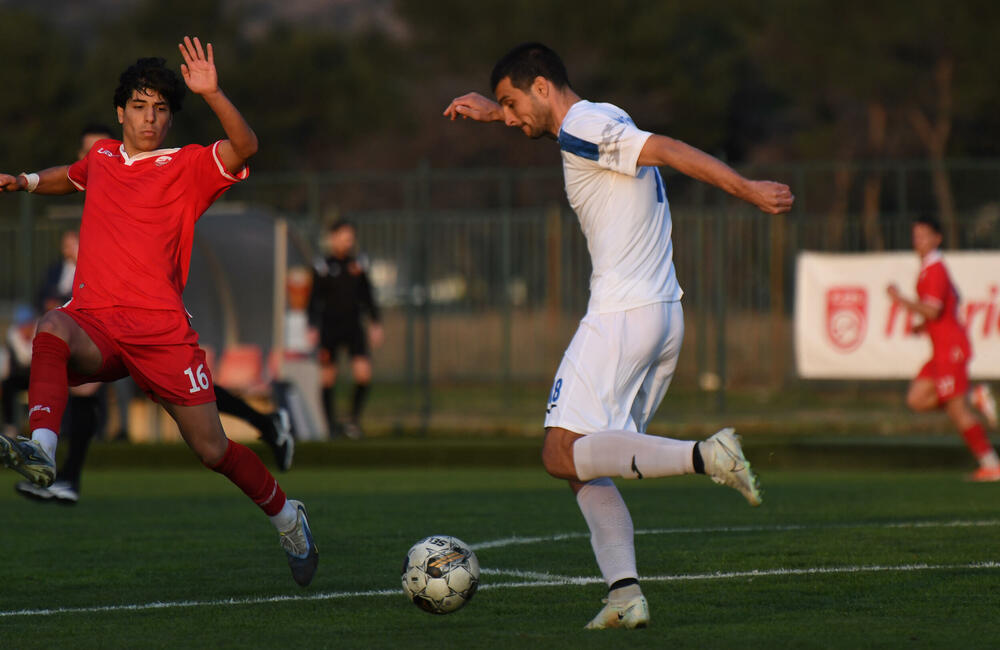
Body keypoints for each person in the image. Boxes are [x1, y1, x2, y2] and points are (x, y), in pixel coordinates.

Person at [444, 42, 794, 629]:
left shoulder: (584, 124)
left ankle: (708, 455)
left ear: (541, 87)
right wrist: (495, 112)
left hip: (621, 316)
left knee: (559, 453)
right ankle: (624, 593)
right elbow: (594, 139)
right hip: (662, 316)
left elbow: (669, 150)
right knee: (587, 463)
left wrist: (747, 189)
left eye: (512, 103)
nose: (509, 116)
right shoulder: (598, 117)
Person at [0, 39, 317, 585]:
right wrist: (26, 181)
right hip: (96, 321)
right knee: (51, 327)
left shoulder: (188, 165)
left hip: (160, 334)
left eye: (162, 109)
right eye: (141, 107)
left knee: (213, 449)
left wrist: (212, 93)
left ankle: (288, 517)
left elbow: (245, 145)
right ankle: (43, 450)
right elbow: (71, 175)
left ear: (170, 118)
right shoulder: (101, 157)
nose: (151, 119)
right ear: (120, 113)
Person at [887, 214, 999, 481]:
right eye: (916, 235)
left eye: (924, 235)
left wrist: (900, 299)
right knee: (916, 399)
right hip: (940, 350)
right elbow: (944, 309)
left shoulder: (936, 269)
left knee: (957, 411)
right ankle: (972, 396)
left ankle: (991, 464)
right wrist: (922, 327)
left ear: (937, 239)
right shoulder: (929, 268)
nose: (919, 241)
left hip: (951, 349)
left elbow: (934, 310)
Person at [308, 219, 383, 439]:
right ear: (333, 238)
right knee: (328, 378)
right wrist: (312, 326)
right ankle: (330, 426)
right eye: (344, 236)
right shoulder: (322, 265)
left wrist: (375, 322)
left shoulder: (358, 265)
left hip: (353, 327)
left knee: (363, 375)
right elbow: (314, 300)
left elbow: (368, 295)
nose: (348, 242)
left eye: (351, 237)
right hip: (330, 327)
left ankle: (353, 421)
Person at [1, 305, 37, 438]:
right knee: (7, 386)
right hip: (19, 376)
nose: (25, 329)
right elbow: (14, 360)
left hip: (36, 376)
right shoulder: (13, 336)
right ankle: (10, 425)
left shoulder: (40, 332)